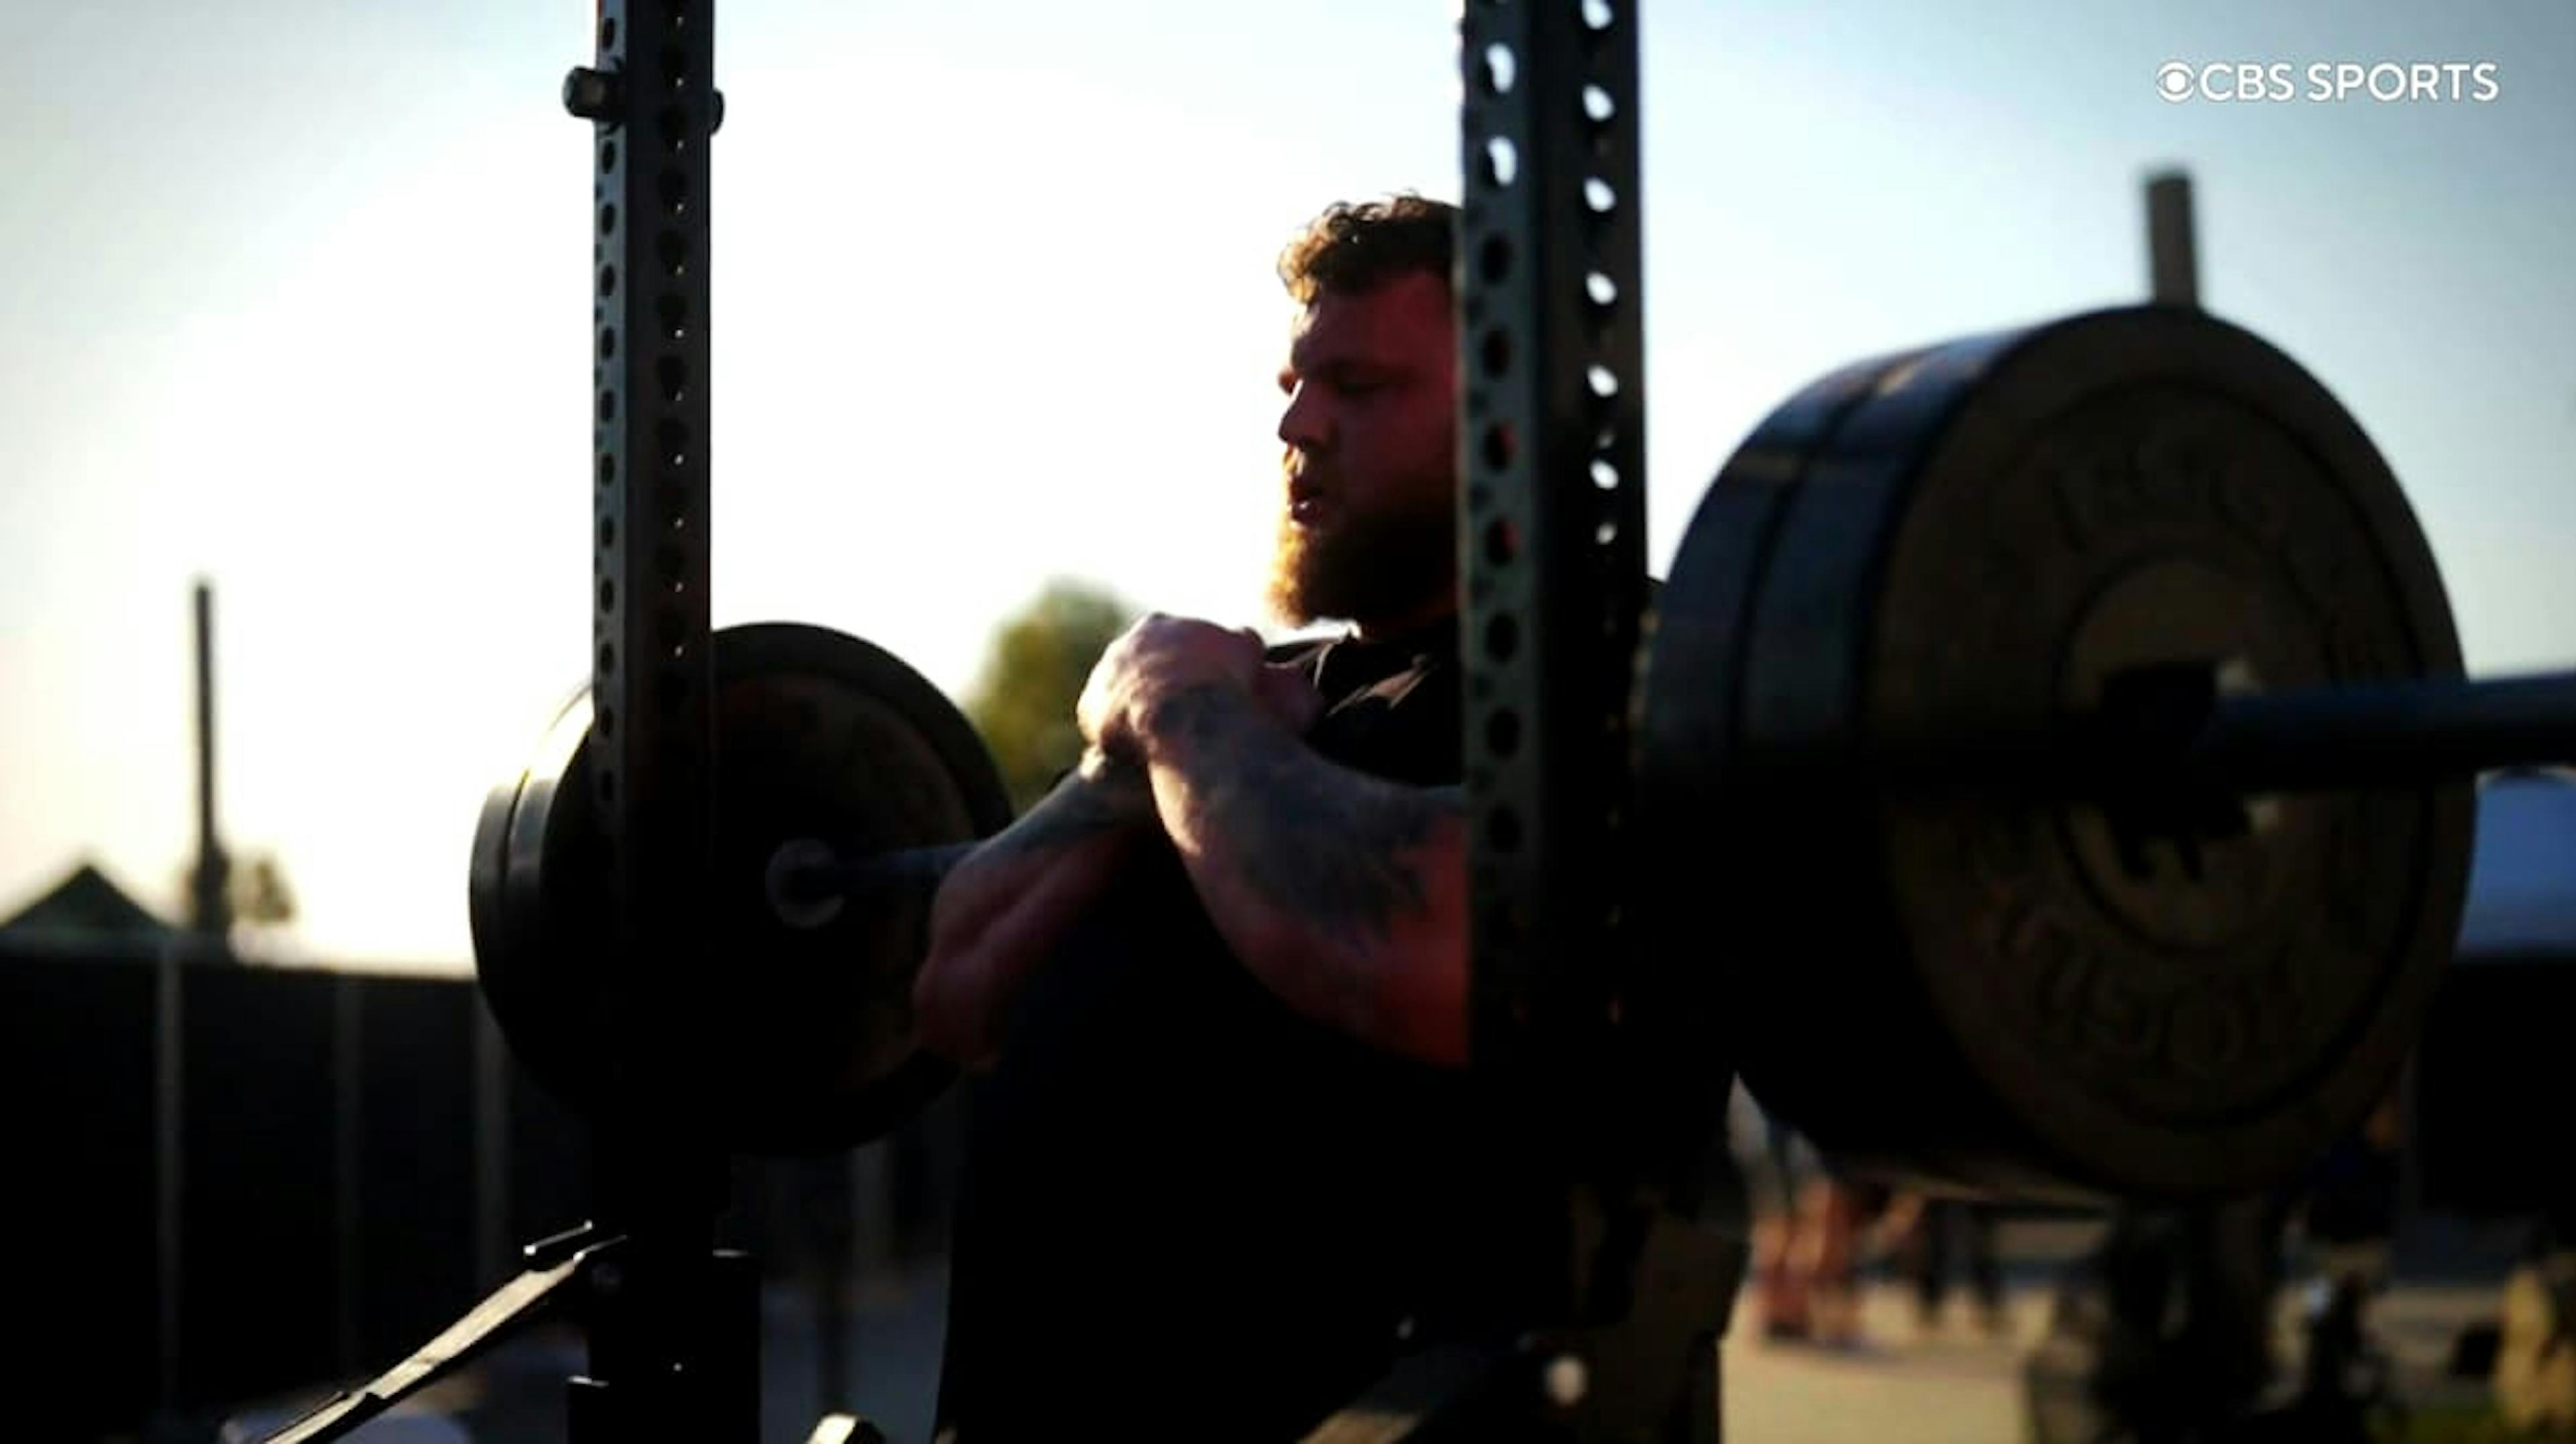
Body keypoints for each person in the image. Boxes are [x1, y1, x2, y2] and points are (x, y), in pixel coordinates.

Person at [911, 195, 1545, 1441]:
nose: (1297, 424)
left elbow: (1438, 948)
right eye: (1296, 382)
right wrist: (1132, 754)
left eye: (1356, 386)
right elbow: (955, 983)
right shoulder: (1266, 697)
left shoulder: (1608, 663)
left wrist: (1179, 715)